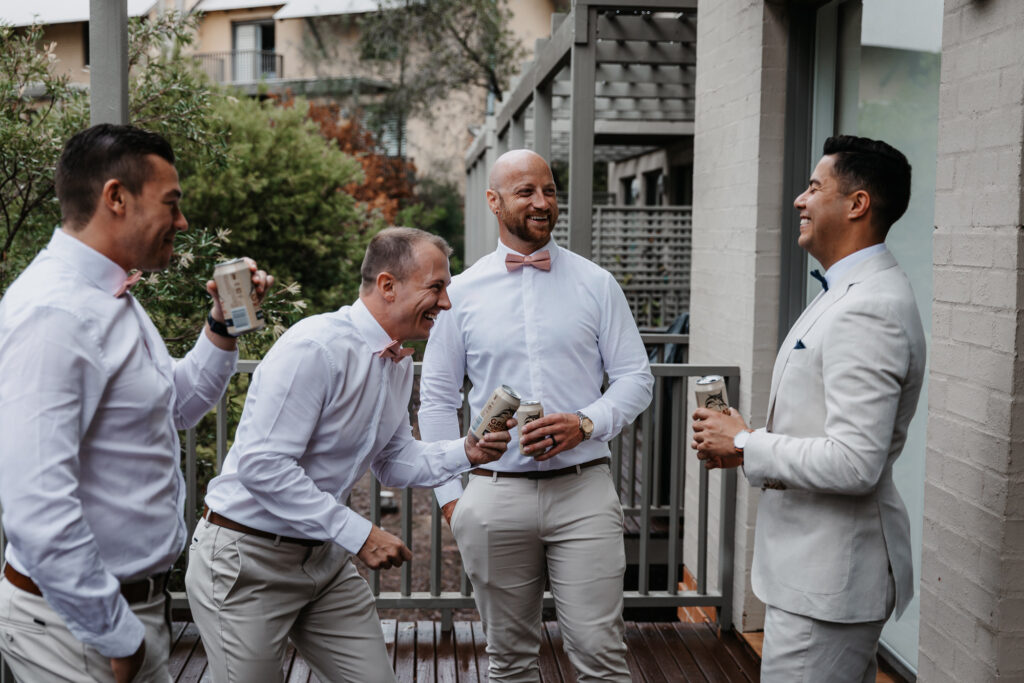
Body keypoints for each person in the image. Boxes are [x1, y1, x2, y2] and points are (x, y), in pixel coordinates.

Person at [0, 123, 273, 683]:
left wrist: (223, 327)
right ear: (116, 198)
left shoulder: (108, 297)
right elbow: (35, 505)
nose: (182, 221)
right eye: (171, 203)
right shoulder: (56, 314)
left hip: (124, 616)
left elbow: (176, 406)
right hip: (79, 628)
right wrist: (116, 634)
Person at [185, 227, 513, 683]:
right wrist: (359, 534)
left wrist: (467, 450)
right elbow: (264, 468)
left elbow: (392, 460)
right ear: (387, 285)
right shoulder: (315, 347)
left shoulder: (398, 362)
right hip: (246, 561)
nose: (446, 303)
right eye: (436, 287)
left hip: (323, 560)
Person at [691, 135, 926, 682]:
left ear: (857, 204)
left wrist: (746, 442)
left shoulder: (868, 307)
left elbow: (854, 462)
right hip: (817, 578)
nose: (800, 199)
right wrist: (744, 448)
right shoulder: (847, 291)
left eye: (815, 187)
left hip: (828, 583)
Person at [419, 149, 654, 682]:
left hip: (583, 491)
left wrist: (586, 422)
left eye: (549, 190)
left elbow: (636, 378)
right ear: (493, 200)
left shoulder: (596, 283)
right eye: (526, 192)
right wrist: (452, 499)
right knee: (508, 662)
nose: (542, 202)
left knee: (601, 657)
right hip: (494, 494)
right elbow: (435, 400)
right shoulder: (460, 294)